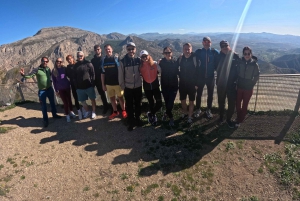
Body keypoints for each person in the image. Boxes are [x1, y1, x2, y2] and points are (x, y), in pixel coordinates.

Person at [19, 57, 62, 127]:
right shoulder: (37, 70)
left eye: (46, 61)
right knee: (43, 106)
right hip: (42, 91)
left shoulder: (48, 69)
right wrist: (23, 75)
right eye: (44, 61)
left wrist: (51, 81)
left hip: (50, 89)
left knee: (52, 103)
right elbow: (29, 76)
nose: (45, 62)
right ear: (41, 61)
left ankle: (54, 115)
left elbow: (51, 76)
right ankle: (45, 120)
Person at [215, 40, 240, 128]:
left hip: (232, 85)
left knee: (231, 103)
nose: (225, 48)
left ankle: (228, 119)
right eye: (222, 47)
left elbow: (239, 70)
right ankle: (221, 118)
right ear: (220, 48)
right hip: (221, 84)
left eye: (226, 46)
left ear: (229, 46)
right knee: (221, 102)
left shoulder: (235, 56)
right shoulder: (217, 56)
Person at [119, 42, 143, 131]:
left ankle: (138, 118)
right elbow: (120, 75)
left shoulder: (138, 60)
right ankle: (131, 120)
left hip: (138, 86)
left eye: (132, 49)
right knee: (129, 105)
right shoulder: (123, 61)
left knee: (138, 103)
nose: (131, 51)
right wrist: (122, 86)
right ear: (126, 50)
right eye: (129, 49)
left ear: (135, 49)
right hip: (128, 87)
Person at [194, 37, 219, 119]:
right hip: (200, 77)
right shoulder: (199, 52)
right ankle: (198, 109)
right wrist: (181, 56)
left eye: (208, 41)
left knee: (210, 95)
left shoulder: (214, 52)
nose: (206, 43)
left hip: (211, 77)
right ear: (202, 43)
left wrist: (232, 53)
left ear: (210, 43)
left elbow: (222, 56)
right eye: (205, 41)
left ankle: (209, 110)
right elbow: (190, 55)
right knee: (199, 94)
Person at [101, 44, 127, 120]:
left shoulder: (116, 58)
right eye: (106, 49)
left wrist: (122, 82)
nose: (107, 50)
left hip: (117, 83)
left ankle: (123, 110)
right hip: (108, 84)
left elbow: (121, 70)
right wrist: (103, 84)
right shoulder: (103, 60)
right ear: (104, 51)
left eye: (109, 49)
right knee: (112, 99)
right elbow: (102, 73)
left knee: (120, 98)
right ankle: (115, 112)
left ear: (112, 49)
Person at [236, 46, 260, 127]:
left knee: (245, 105)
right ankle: (238, 117)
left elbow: (257, 75)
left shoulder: (254, 64)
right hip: (239, 87)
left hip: (248, 88)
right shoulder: (240, 62)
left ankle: (240, 120)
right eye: (245, 53)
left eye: (248, 53)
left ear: (251, 54)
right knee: (238, 104)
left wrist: (252, 84)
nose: (247, 55)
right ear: (243, 54)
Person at [139, 50, 162, 126]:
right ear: (141, 58)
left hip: (155, 86)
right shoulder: (140, 67)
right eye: (142, 57)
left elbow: (160, 70)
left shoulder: (154, 64)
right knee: (151, 103)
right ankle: (153, 116)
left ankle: (151, 113)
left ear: (148, 56)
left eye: (145, 56)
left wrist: (161, 62)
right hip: (147, 87)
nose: (144, 58)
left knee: (159, 103)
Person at [178, 43, 199, 124]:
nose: (187, 51)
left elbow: (198, 72)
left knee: (191, 101)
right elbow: (174, 67)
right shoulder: (180, 59)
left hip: (192, 84)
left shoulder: (195, 58)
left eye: (188, 49)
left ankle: (190, 117)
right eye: (185, 49)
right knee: (182, 101)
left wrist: (197, 84)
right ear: (183, 50)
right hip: (182, 84)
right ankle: (185, 112)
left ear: (191, 49)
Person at [159, 47, 179, 126]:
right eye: (165, 53)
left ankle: (169, 116)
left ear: (172, 53)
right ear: (163, 54)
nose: (167, 54)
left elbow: (179, 71)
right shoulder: (161, 62)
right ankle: (169, 116)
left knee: (170, 103)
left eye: (169, 52)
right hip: (164, 86)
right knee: (167, 103)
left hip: (173, 86)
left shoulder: (175, 62)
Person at [73, 51, 97, 119]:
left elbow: (93, 74)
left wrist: (93, 84)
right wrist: (76, 87)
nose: (79, 57)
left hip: (89, 86)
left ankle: (94, 112)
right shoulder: (75, 66)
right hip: (80, 88)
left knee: (92, 99)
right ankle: (88, 111)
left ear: (83, 56)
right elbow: (74, 77)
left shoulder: (88, 64)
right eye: (78, 56)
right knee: (82, 102)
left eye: (81, 56)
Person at [52, 58, 76, 122]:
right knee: (65, 102)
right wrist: (56, 91)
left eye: (61, 61)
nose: (59, 63)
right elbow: (54, 82)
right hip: (60, 89)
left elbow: (70, 74)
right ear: (56, 62)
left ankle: (71, 111)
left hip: (67, 86)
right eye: (58, 61)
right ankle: (67, 115)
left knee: (69, 100)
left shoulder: (64, 69)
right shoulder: (54, 70)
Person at [91, 45, 109, 114]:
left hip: (106, 79)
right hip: (97, 80)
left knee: (110, 94)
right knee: (102, 94)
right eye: (95, 50)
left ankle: (114, 108)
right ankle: (106, 106)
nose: (97, 51)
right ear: (94, 51)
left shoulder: (104, 59)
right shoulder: (92, 60)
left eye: (98, 49)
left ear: (100, 50)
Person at [65, 55, 82, 119]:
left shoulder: (77, 65)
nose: (69, 60)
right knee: (76, 98)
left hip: (79, 83)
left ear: (73, 58)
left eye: (70, 59)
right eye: (68, 59)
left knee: (82, 97)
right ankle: (79, 111)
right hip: (73, 84)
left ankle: (84, 109)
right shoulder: (67, 68)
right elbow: (66, 76)